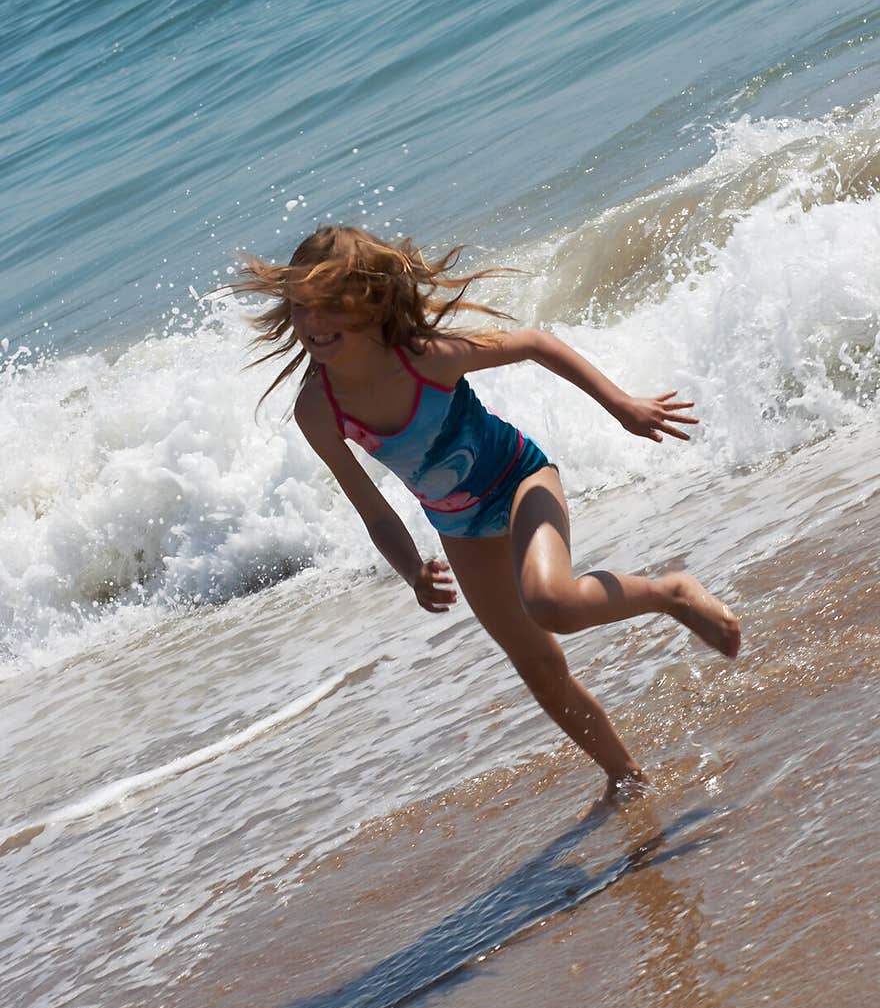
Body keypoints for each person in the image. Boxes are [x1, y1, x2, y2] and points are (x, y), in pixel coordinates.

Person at [235, 224, 740, 797]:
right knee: (539, 669)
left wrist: (620, 404)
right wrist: (412, 571)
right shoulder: (318, 410)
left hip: (521, 480)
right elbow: (373, 511)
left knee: (552, 603)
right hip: (458, 528)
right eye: (301, 307)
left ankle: (670, 592)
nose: (314, 323)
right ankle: (625, 776)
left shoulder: (423, 358)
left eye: (331, 306)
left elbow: (534, 344)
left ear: (372, 304)